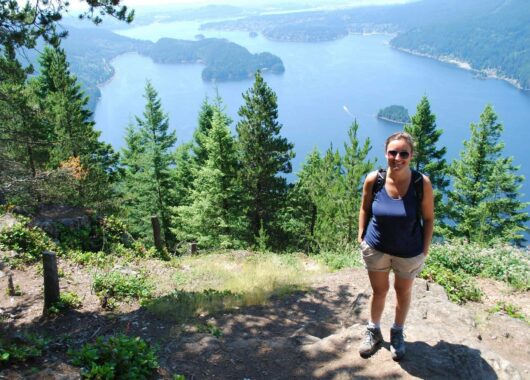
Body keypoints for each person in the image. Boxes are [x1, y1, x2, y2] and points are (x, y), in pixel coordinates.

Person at [357, 131, 434, 361]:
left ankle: (397, 332)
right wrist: (361, 236)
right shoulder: (374, 179)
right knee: (379, 291)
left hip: (409, 251)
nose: (397, 157)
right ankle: (374, 330)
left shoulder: (421, 183)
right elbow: (364, 208)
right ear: (385, 153)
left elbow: (429, 218)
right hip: (376, 247)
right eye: (393, 152)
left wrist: (424, 249)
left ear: (411, 156)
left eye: (403, 153)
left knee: (403, 292)